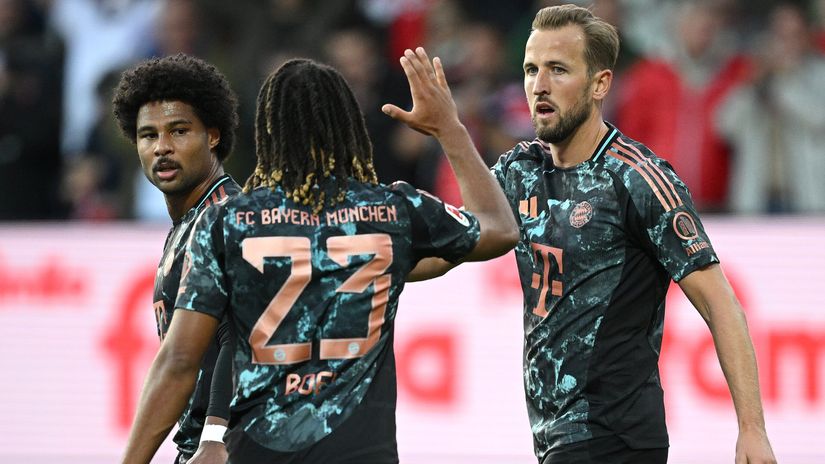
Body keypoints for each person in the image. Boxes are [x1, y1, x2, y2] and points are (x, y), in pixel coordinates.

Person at [410, 5, 776, 463]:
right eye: (531, 69)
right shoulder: (521, 171)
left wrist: (752, 429)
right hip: (554, 440)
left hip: (615, 436)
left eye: (558, 70)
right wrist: (358, 264)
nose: (539, 85)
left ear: (600, 84)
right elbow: (448, 248)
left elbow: (720, 304)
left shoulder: (637, 179)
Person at [119, 51, 518, 463]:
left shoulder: (228, 222)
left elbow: (180, 360)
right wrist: (448, 128)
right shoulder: (391, 214)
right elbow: (500, 228)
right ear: (348, 124)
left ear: (267, 130)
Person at [112, 53, 241, 464]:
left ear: (213, 135)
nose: (162, 148)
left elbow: (240, 333)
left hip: (226, 447)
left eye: (179, 131)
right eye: (148, 135)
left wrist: (217, 434)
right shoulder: (193, 218)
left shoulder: (229, 218)